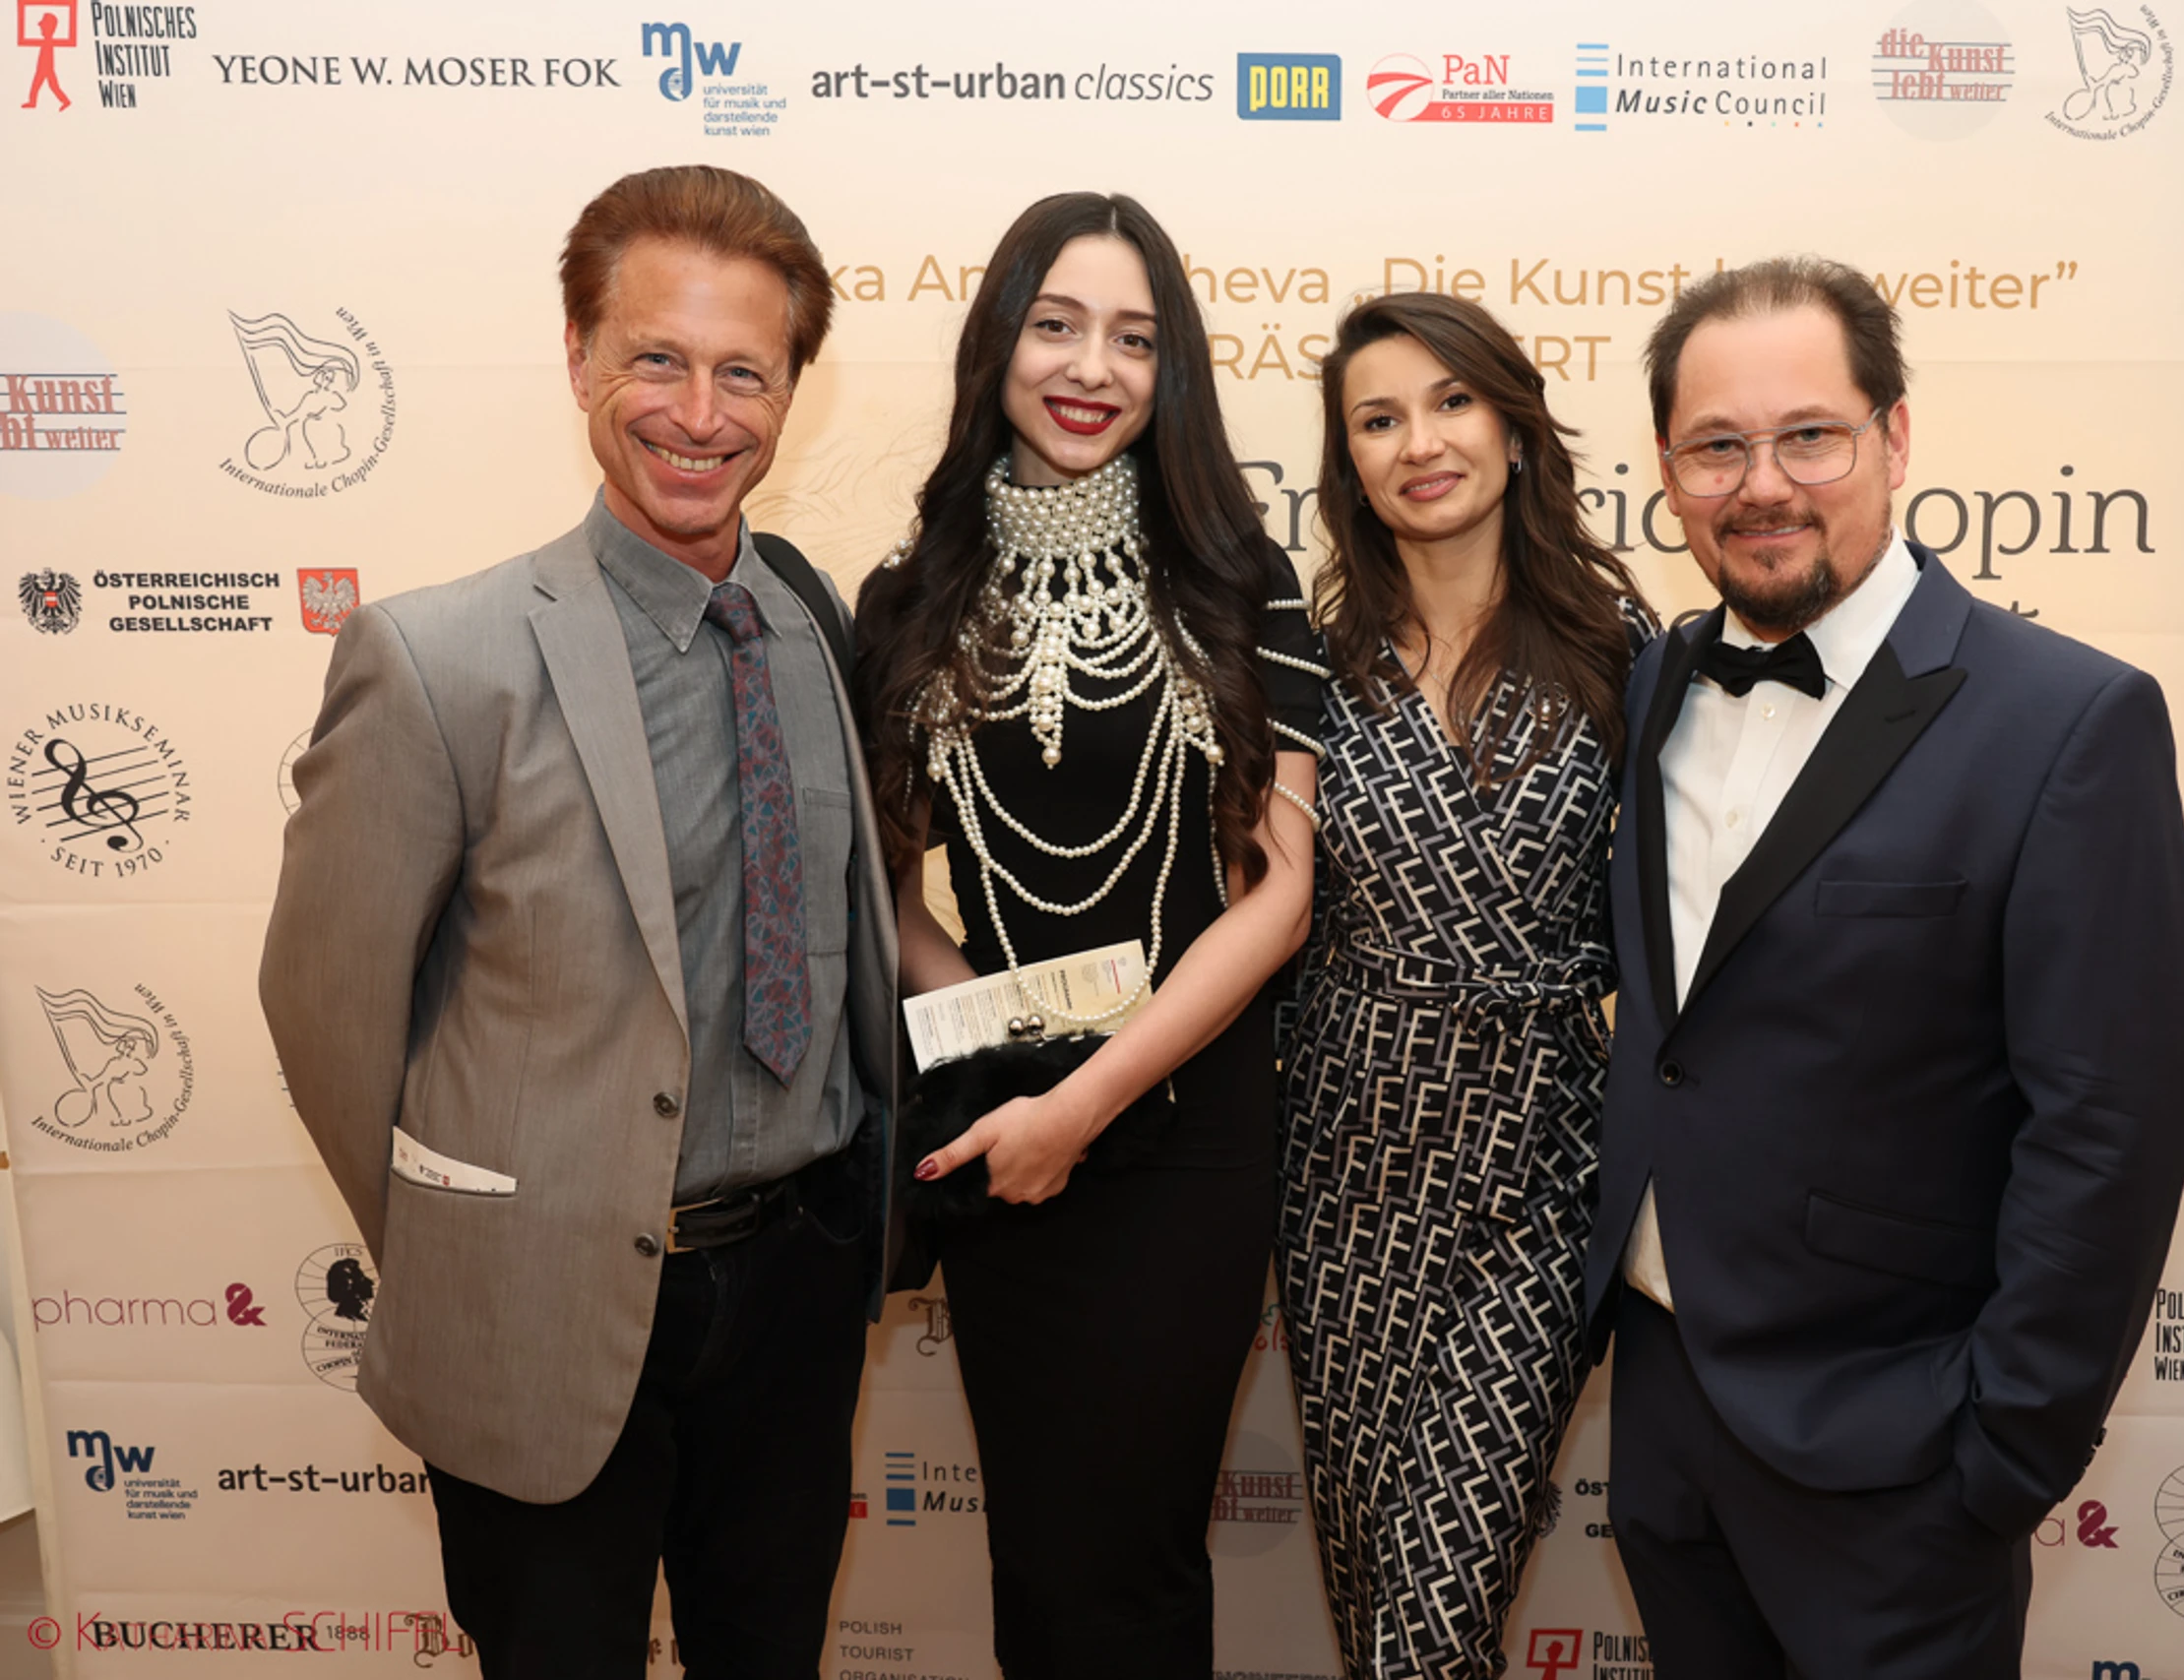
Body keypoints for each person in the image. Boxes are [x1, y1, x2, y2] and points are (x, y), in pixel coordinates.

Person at [261, 164, 898, 1680]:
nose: (699, 413)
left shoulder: (814, 625)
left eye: (744, 371)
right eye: (656, 358)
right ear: (577, 358)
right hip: (534, 1312)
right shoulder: (442, 657)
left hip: (795, 1295)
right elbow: (327, 1010)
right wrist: (474, 1242)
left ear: (792, 391)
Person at [1586, 256, 2184, 1679]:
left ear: (1896, 437)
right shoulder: (1654, 684)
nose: (1763, 486)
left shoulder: (2068, 722)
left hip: (1901, 1451)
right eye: (1716, 447)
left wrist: (2002, 1450)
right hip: (1667, 1414)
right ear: (1667, 472)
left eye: (1810, 435)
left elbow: (2108, 1124)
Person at [853, 191, 1322, 1678]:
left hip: (1186, 1133)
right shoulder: (906, 597)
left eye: (1134, 337)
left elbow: (1279, 895)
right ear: (998, 339)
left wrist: (1090, 1094)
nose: (1091, 367)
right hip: (1004, 1122)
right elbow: (891, 895)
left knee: (1134, 1553)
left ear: (1172, 369)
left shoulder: (1243, 582)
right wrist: (1012, 1056)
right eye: (1056, 325)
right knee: (1047, 1558)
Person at [1277, 292, 1651, 1680]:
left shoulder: (1620, 646)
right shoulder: (1307, 668)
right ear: (1349, 461)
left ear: (1513, 427)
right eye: (1378, 420)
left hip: (1539, 1176)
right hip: (1348, 1171)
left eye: (1450, 403)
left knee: (1432, 1614)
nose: (1419, 443)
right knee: (1372, 1579)